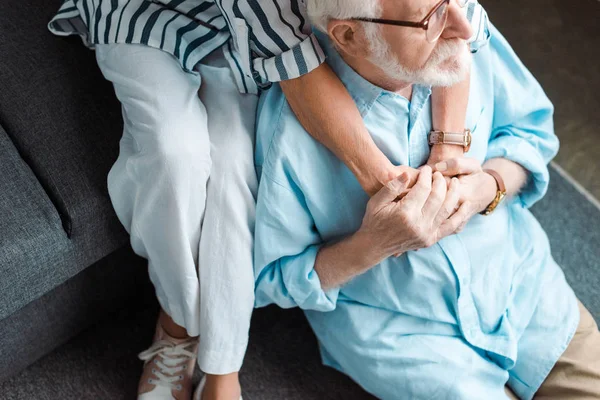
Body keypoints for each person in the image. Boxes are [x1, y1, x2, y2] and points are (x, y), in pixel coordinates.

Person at [47, 0, 489, 399]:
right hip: (148, 15)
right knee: (174, 155)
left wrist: (447, 154)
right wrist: (390, 189)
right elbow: (295, 64)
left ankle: (221, 368)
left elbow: (465, 25)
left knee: (231, 162)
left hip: (252, 34)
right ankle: (178, 327)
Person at [253, 0, 600, 399]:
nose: (463, 27)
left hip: (520, 285)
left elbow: (530, 134)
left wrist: (489, 187)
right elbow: (274, 278)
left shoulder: (465, 36)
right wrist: (373, 245)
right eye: (430, 16)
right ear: (349, 35)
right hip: (406, 337)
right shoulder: (288, 139)